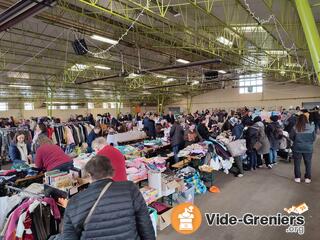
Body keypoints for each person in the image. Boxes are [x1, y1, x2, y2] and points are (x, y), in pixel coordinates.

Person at [61, 155, 155, 240]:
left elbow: (68, 236)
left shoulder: (74, 202)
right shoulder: (130, 188)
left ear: (89, 175)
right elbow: (145, 223)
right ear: (112, 172)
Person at [290, 114, 316, 183]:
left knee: (297, 163)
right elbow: (314, 138)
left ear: (298, 119)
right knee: (308, 163)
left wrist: (297, 141)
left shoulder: (295, 127)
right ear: (306, 119)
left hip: (297, 147)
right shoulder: (312, 127)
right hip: (308, 148)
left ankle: (297, 178)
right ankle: (308, 178)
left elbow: (291, 137)